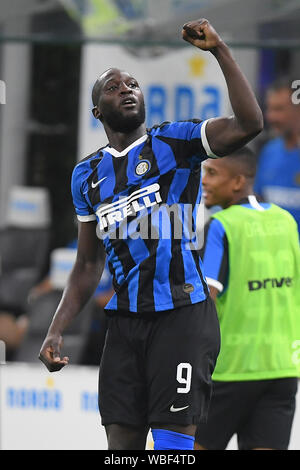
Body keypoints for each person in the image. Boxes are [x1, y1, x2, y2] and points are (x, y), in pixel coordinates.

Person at [39, 18, 263, 450]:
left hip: (182, 317)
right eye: (113, 86)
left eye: (133, 84)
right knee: (122, 451)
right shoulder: (86, 176)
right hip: (123, 324)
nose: (127, 88)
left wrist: (219, 49)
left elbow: (249, 123)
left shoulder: (177, 142)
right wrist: (56, 328)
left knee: (172, 451)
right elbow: (88, 263)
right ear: (97, 111)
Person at [194, 147, 300, 450]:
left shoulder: (222, 225)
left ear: (238, 181)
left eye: (212, 173)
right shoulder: (286, 222)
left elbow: (206, 301)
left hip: (229, 370)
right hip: (281, 370)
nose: (204, 181)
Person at [254, 77, 300, 234]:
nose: (271, 117)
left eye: (279, 109)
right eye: (269, 109)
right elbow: (259, 201)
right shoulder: (269, 152)